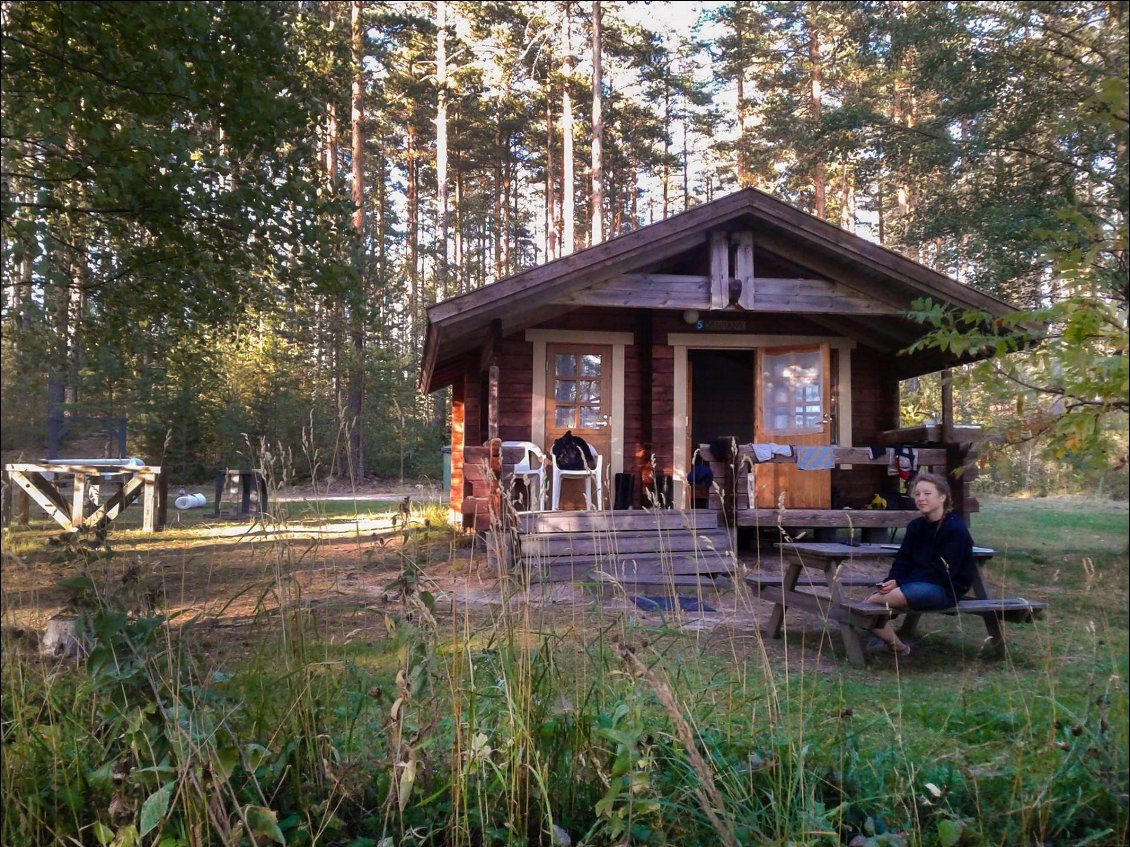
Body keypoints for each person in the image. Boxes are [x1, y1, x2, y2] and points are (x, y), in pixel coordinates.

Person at [865, 472, 976, 656]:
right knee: (871, 606)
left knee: (874, 602)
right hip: (913, 584)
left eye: (927, 493)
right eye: (917, 494)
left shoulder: (955, 528)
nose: (921, 498)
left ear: (942, 497)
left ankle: (885, 628)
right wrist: (893, 580)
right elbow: (903, 559)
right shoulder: (915, 526)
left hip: (944, 589)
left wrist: (901, 584)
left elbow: (940, 571)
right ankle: (898, 646)